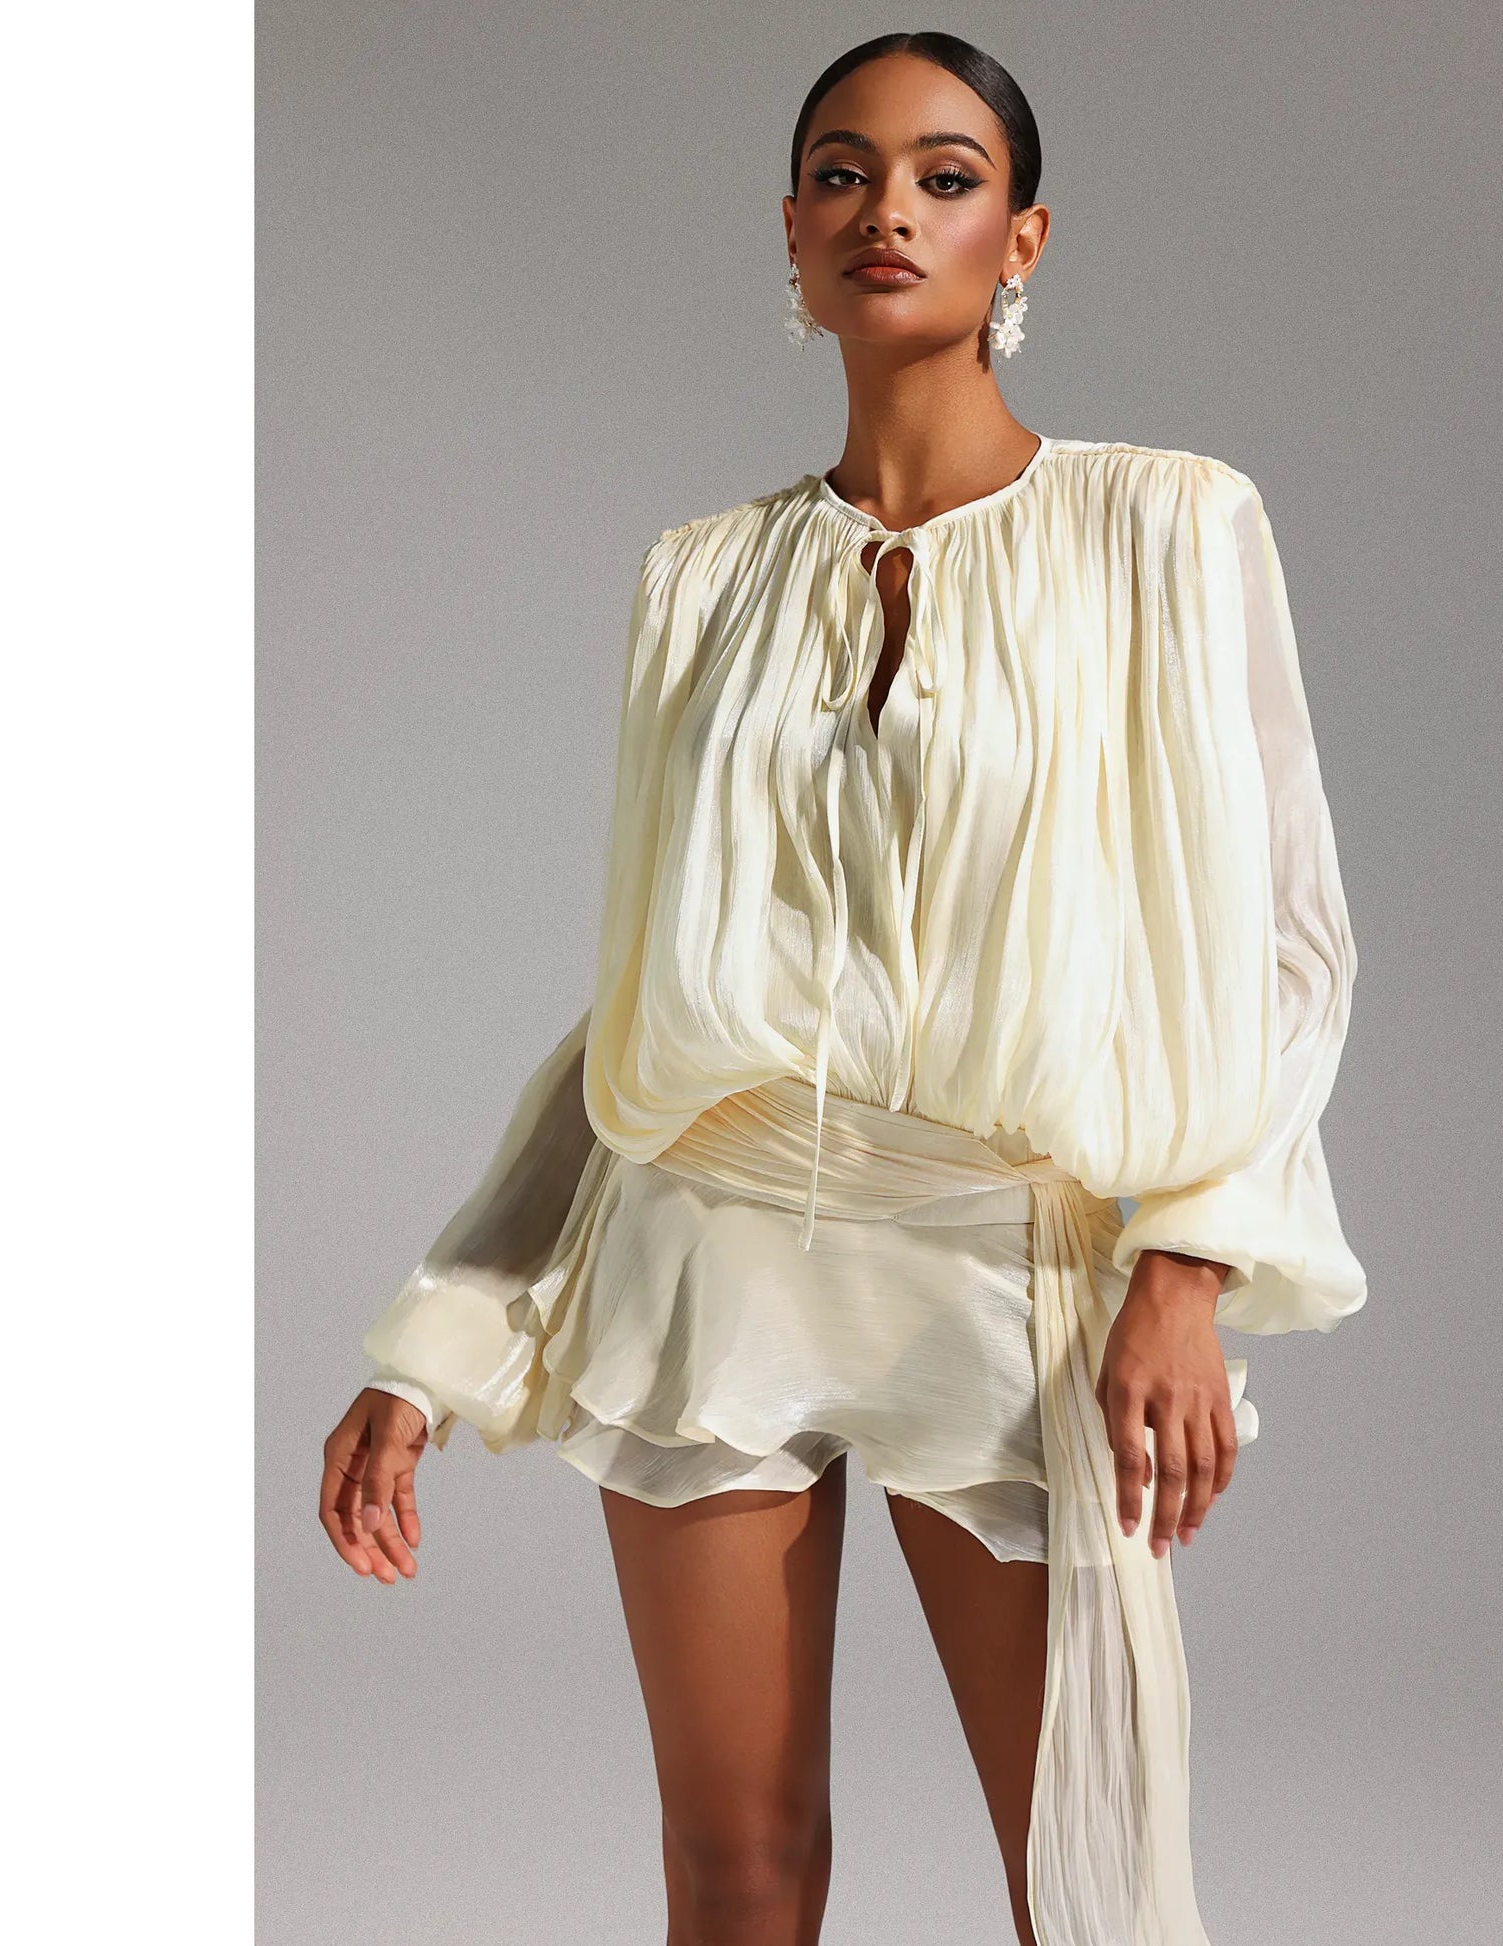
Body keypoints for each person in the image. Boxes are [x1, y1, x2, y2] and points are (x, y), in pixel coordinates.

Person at [317, 30, 1367, 1946]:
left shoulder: (1166, 526)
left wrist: (1188, 1259)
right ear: (792, 235)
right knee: (734, 1873)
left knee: (1094, 1879)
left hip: (1004, 1256)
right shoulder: (698, 577)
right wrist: (436, 1340)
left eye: (945, 176)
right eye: (840, 172)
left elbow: (1284, 944)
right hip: (706, 1246)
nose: (887, 207)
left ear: (1020, 237)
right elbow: (648, 1013)